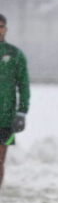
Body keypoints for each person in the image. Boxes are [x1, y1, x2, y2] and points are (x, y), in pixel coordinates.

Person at [0, 13, 30, 190]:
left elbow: (23, 85)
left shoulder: (14, 54)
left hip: (5, 117)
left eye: (1, 26)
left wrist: (22, 112)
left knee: (0, 159)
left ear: (6, 29)